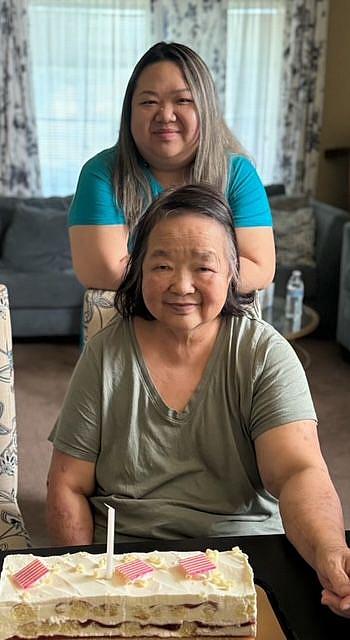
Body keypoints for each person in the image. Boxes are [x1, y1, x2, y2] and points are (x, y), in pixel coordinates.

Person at [48, 183, 350, 618]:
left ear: (231, 271)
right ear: (138, 270)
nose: (181, 285)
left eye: (203, 268)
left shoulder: (264, 353)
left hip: (243, 557)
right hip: (126, 563)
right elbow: (68, 484)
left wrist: (330, 551)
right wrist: (82, 589)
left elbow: (298, 470)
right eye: (162, 265)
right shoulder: (105, 354)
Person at [68, 41, 275, 293]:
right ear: (129, 112)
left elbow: (259, 268)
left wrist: (161, 272)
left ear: (205, 110)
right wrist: (207, 272)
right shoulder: (101, 174)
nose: (165, 115)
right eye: (148, 102)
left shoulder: (238, 174)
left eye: (183, 100)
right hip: (124, 331)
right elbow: (104, 271)